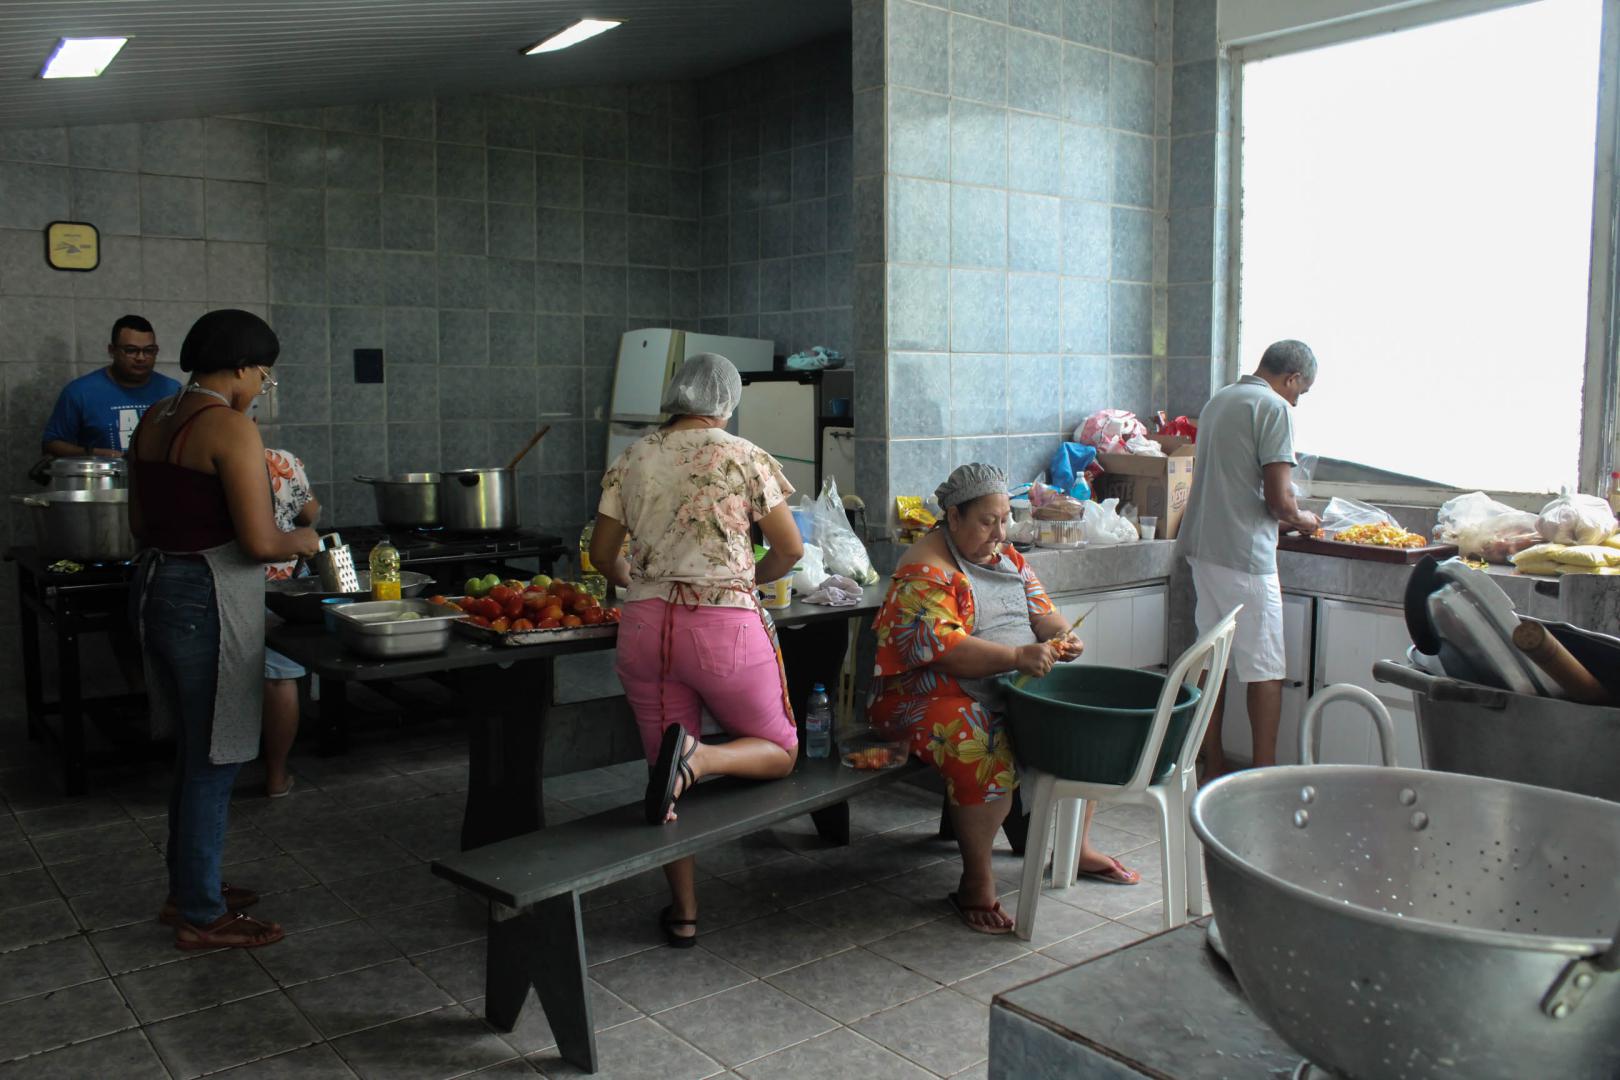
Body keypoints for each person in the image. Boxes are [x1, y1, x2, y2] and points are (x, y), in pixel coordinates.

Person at [867, 463, 1142, 936]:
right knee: (981, 742)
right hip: (921, 694)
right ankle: (976, 881)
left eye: (1004, 520)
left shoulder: (1006, 557)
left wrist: (1061, 637)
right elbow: (943, 650)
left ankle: (1076, 847)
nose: (999, 533)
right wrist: (1016, 656)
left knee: (1081, 726)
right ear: (954, 517)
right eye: (987, 521)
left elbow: (1043, 611)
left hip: (1002, 684)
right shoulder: (925, 571)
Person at [589, 352, 803, 948]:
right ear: (726, 402)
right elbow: (789, 550)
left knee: (661, 773)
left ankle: (684, 912)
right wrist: (746, 581)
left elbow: (603, 556)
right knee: (781, 751)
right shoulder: (745, 455)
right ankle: (701, 759)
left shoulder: (632, 457)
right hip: (723, 628)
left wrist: (639, 583)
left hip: (644, 630)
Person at [129, 309, 320, 950]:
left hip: (156, 588)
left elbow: (140, 525)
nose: (261, 387)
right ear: (242, 367)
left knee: (194, 750)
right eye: (263, 375)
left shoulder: (155, 418)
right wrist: (306, 539)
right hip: (207, 599)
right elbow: (261, 541)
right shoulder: (229, 427)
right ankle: (201, 915)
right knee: (218, 754)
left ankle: (190, 887)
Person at [1176, 339, 1321, 775]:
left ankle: (1211, 766)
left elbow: (1232, 485)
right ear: (1291, 378)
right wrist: (1305, 519)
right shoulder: (1273, 408)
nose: (1296, 402)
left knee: (1212, 660)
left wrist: (1281, 516)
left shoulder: (1220, 401)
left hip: (1204, 548)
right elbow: (1280, 501)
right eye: (1300, 392)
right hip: (1245, 557)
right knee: (1265, 669)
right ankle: (1262, 776)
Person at [43, 314, 182, 457]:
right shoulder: (80, 392)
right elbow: (51, 444)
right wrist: (93, 454)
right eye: (131, 350)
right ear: (112, 350)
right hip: (102, 471)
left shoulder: (172, 391)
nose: (141, 357)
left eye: (149, 351)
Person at [263, 448, 319, 798]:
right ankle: (276, 775)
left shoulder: (190, 458)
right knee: (278, 679)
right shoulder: (277, 459)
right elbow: (310, 513)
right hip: (281, 580)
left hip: (222, 581)